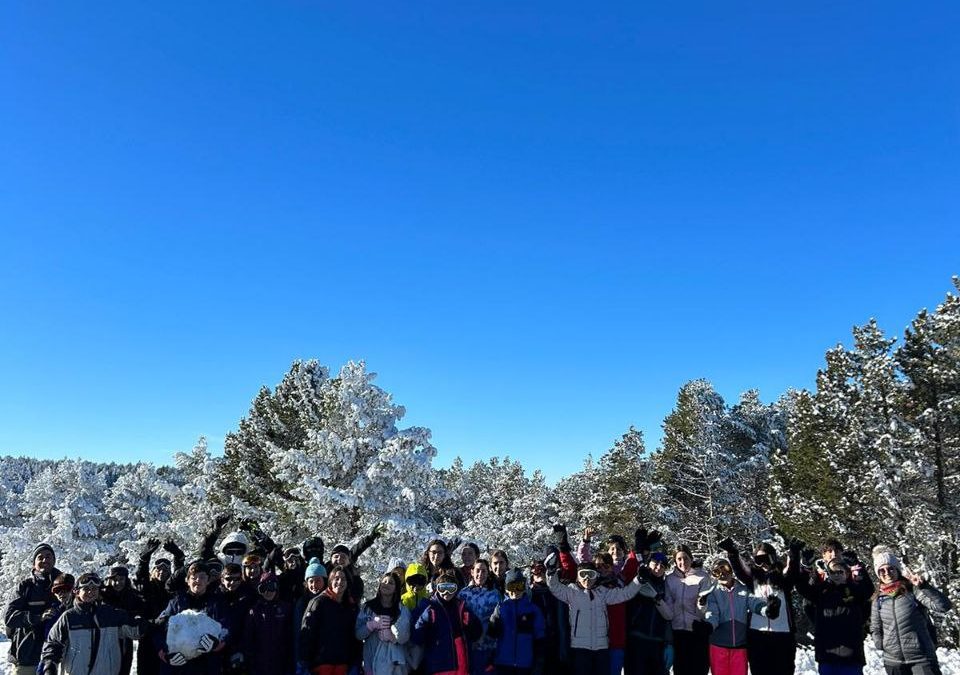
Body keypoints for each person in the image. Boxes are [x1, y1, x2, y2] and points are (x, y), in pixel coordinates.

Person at [546, 557, 656, 674]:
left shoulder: (602, 592)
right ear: (578, 576)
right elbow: (555, 587)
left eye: (591, 574)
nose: (587, 578)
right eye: (583, 574)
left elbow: (625, 594)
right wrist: (551, 572)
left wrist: (638, 580)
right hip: (580, 647)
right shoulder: (572, 592)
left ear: (596, 576)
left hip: (601, 647)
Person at [718, 536, 800, 675]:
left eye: (766, 559)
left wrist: (794, 552)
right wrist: (732, 552)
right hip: (758, 636)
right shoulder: (753, 578)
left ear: (773, 558)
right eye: (758, 560)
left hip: (783, 636)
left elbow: (792, 570)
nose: (763, 564)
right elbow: (740, 568)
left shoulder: (782, 577)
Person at [39, 572, 142, 675]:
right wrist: (49, 667)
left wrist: (152, 622)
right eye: (86, 589)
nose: (90, 592)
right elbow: (53, 644)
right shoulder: (69, 617)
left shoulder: (111, 614)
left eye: (94, 589)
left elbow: (135, 631)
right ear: (77, 592)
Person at [870, 547, 951, 675]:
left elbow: (943, 606)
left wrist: (924, 587)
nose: (887, 572)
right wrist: (881, 644)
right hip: (894, 662)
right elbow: (875, 627)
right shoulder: (878, 599)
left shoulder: (913, 591)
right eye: (882, 570)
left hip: (921, 659)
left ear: (897, 570)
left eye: (890, 568)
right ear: (878, 574)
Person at [796, 557, 873, 675]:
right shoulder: (821, 590)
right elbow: (803, 589)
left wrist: (858, 566)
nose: (836, 575)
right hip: (827, 655)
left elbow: (868, 590)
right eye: (832, 572)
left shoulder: (855, 590)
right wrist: (805, 567)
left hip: (851, 655)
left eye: (840, 571)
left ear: (846, 573)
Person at [701, 558, 776, 675]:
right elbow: (712, 613)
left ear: (731, 569)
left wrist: (767, 610)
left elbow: (754, 603)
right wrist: (709, 626)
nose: (722, 574)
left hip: (740, 646)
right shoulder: (713, 593)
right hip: (718, 646)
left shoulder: (743, 589)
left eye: (725, 568)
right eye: (717, 572)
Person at [154, 561, 229, 675]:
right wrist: (165, 654)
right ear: (187, 580)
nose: (198, 581)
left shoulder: (217, 603)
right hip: (178, 665)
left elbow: (228, 628)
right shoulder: (176, 603)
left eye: (202, 577)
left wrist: (217, 643)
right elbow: (158, 629)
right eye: (194, 577)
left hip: (207, 665)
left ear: (208, 580)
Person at [3, 543, 62, 675]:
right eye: (40, 557)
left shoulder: (64, 585)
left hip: (57, 659)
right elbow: (9, 617)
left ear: (54, 560)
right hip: (27, 657)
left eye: (48, 557)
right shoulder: (25, 587)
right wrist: (37, 617)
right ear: (33, 563)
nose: (45, 560)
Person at [411, 570, 482, 675]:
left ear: (456, 589)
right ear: (437, 589)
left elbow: (476, 634)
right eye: (443, 588)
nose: (446, 593)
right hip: (438, 665)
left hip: (461, 664)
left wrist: (471, 622)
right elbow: (417, 638)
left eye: (450, 589)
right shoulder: (430, 608)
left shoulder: (461, 607)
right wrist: (423, 619)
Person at [299, 565, 360, 675]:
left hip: (343, 664)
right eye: (336, 578)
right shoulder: (319, 602)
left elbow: (354, 636)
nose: (340, 582)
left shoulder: (351, 606)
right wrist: (304, 661)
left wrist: (356, 661)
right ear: (330, 581)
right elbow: (307, 633)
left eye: (344, 579)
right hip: (321, 664)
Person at [487, 568, 545, 675]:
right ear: (506, 589)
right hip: (503, 662)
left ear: (524, 587)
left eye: (519, 586)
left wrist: (539, 663)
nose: (515, 591)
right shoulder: (501, 608)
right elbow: (492, 634)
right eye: (511, 586)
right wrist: (493, 623)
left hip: (525, 664)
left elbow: (540, 637)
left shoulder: (533, 610)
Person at [623, 551, 673, 675]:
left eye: (662, 566)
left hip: (657, 642)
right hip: (636, 640)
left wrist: (669, 643)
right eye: (655, 563)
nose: (658, 567)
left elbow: (669, 616)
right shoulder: (639, 580)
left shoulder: (666, 587)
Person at [665, 544, 710, 675]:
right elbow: (668, 606)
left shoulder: (702, 577)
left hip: (697, 631)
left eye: (685, 558)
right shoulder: (670, 579)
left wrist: (702, 604)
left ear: (691, 558)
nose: (682, 562)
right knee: (680, 669)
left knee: (699, 669)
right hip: (678, 632)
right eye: (679, 559)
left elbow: (707, 608)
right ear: (675, 561)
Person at [355, 572, 412, 675]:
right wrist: (371, 625)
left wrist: (393, 637)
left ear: (396, 588)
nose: (386, 584)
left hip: (394, 666)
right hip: (371, 663)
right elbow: (358, 634)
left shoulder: (402, 610)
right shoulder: (368, 607)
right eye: (384, 582)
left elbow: (406, 637)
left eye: (391, 583)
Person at [243, 572, 294, 675]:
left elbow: (292, 637)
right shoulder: (254, 611)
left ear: (277, 587)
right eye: (263, 588)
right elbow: (248, 639)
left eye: (271, 587)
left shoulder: (286, 608)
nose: (267, 591)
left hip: (282, 662)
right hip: (260, 664)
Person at [458, 559, 501, 675]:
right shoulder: (463, 594)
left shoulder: (495, 594)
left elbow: (499, 620)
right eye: (477, 570)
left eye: (484, 571)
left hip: (488, 646)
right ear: (472, 572)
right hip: (468, 646)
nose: (480, 574)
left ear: (488, 573)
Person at [102, 566, 146, 675]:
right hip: (106, 639)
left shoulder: (133, 596)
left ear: (126, 579)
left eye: (121, 579)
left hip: (125, 640)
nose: (118, 583)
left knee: (124, 668)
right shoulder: (103, 595)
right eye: (114, 580)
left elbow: (142, 612)